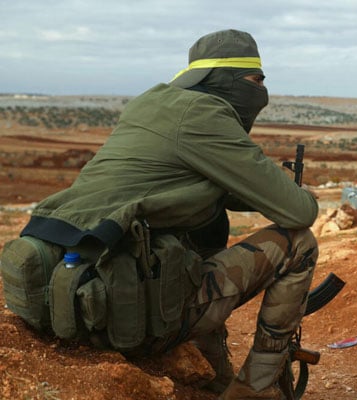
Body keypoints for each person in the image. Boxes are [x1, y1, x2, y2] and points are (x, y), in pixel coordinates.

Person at [6, 29, 318, 399]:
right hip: (130, 318)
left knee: (196, 236)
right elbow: (299, 211)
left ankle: (215, 378)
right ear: (226, 79)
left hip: (77, 302)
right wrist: (293, 192)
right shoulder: (205, 114)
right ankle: (256, 391)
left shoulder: (148, 104)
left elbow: (186, 188)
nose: (262, 89)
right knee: (299, 243)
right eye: (256, 79)